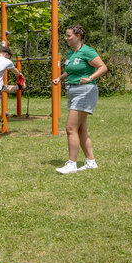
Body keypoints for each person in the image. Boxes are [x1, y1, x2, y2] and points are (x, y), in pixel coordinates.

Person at [51, 25, 108, 173]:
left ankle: (72, 164)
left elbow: (103, 67)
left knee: (70, 128)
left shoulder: (87, 51)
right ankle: (91, 162)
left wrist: (89, 78)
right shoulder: (71, 53)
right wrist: (59, 78)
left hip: (85, 91)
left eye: (69, 35)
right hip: (73, 90)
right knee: (80, 129)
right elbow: (70, 71)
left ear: (78, 36)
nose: (66, 38)